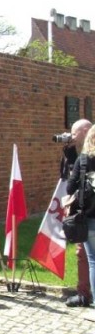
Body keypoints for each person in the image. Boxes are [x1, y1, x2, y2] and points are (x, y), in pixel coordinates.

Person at [63, 118, 92, 307]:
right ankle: (83, 293)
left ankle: (85, 295)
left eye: (75, 133)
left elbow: (70, 186)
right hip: (87, 212)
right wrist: (68, 151)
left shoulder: (85, 158)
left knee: (89, 257)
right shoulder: (80, 156)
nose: (72, 137)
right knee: (83, 255)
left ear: (87, 131)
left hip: (89, 214)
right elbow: (67, 174)